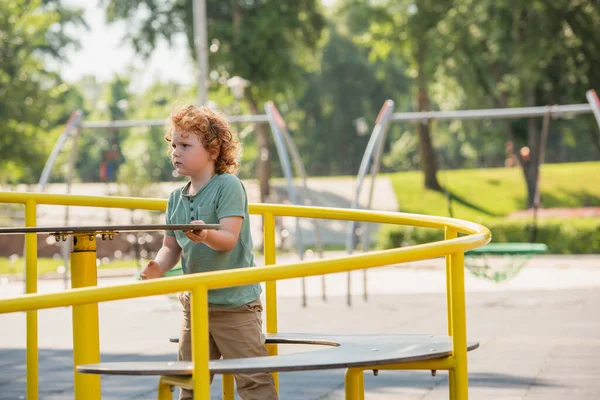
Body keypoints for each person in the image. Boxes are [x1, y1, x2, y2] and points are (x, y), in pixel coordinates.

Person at [140, 104, 277, 400]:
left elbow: (229, 238)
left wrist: (205, 235)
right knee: (190, 380)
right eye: (173, 145)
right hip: (196, 306)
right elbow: (171, 246)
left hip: (235, 304)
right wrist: (158, 267)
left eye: (185, 145)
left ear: (213, 151)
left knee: (254, 381)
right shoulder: (176, 198)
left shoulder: (227, 186)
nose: (176, 152)